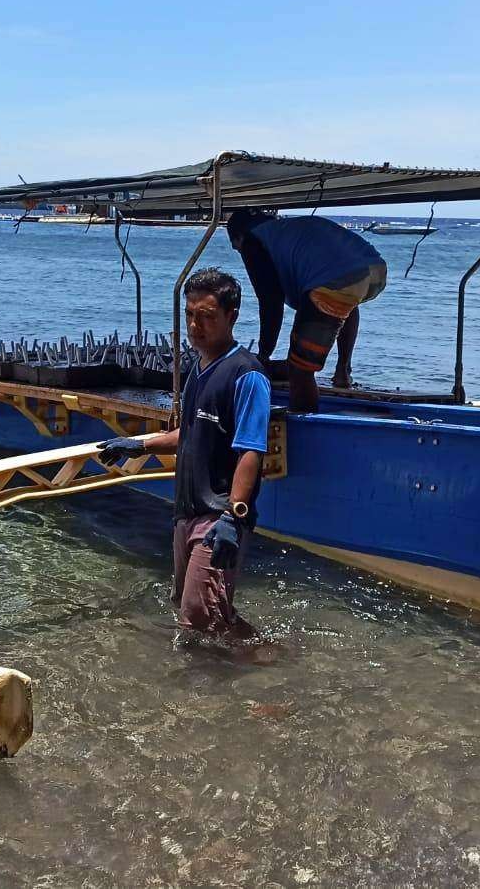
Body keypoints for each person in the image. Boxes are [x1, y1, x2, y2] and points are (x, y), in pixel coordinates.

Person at [97, 268, 270, 640]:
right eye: (190, 314)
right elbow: (189, 434)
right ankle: (257, 660)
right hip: (186, 511)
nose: (195, 325)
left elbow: (251, 451)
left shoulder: (247, 375)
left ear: (232, 316)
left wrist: (232, 515)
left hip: (218, 515)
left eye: (207, 316)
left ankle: (249, 671)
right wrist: (139, 444)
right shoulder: (198, 368)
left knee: (198, 615)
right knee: (196, 608)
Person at [225, 209, 388, 413]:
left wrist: (263, 356)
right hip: (374, 270)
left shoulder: (252, 241)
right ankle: (342, 371)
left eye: (236, 249)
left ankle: (303, 420)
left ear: (239, 236)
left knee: (300, 370)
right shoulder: (284, 230)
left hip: (337, 278)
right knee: (344, 302)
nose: (241, 253)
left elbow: (270, 300)